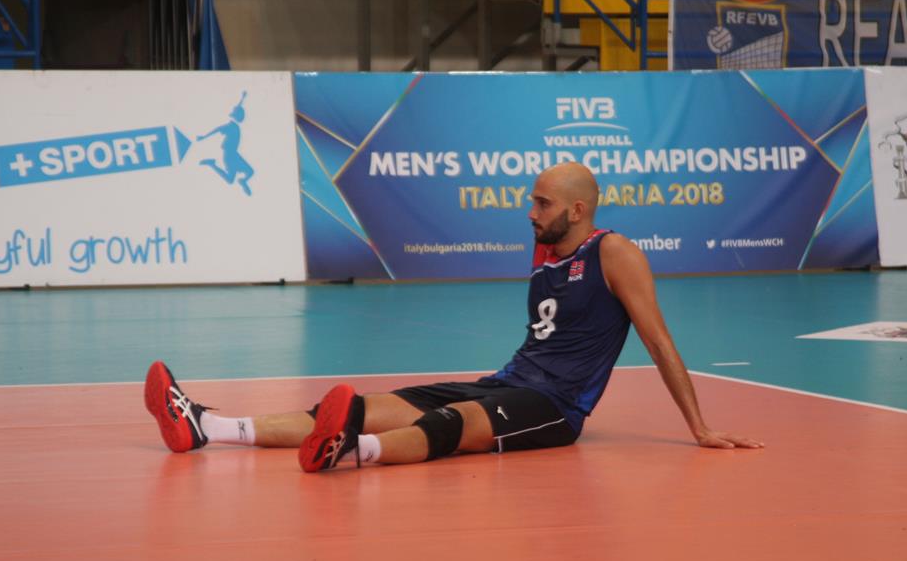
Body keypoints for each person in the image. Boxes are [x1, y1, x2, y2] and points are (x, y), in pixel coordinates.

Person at [145, 162, 762, 472]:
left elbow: (658, 340)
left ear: (577, 210)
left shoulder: (615, 253)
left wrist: (700, 426)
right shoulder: (546, 252)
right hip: (506, 382)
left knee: (452, 422)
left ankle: (349, 454)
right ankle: (211, 427)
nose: (530, 212)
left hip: (556, 407)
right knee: (376, 403)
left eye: (542, 203)